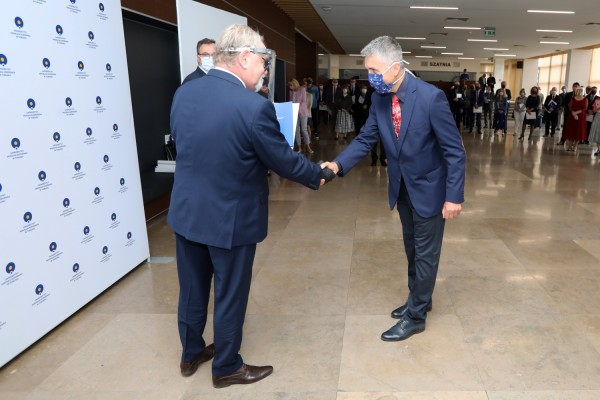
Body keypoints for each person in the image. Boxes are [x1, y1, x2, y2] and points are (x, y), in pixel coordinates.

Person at [168, 24, 328, 388]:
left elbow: (184, 144)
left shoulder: (184, 94)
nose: (265, 70)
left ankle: (191, 352)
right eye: (262, 61)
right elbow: (283, 161)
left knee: (192, 289)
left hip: (188, 213)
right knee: (229, 293)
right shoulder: (253, 107)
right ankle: (226, 366)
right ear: (243, 58)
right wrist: (316, 174)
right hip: (231, 220)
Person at [322, 36, 466, 342]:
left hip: (430, 189)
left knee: (426, 254)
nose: (370, 77)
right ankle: (420, 300)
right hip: (401, 187)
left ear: (396, 67)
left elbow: (455, 150)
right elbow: (365, 139)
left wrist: (454, 196)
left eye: (375, 70)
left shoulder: (430, 98)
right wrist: (336, 165)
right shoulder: (380, 98)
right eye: (368, 71)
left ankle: (415, 317)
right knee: (413, 250)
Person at [290, 78, 313, 153]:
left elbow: (304, 101)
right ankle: (299, 147)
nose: (290, 87)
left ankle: (308, 146)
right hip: (294, 112)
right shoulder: (291, 91)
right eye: (290, 86)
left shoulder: (302, 89)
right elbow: (290, 101)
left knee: (304, 129)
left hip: (302, 112)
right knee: (296, 130)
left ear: (295, 84)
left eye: (291, 85)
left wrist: (297, 107)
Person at [563, 87, 588, 152]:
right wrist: (573, 113)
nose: (579, 91)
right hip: (572, 116)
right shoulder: (572, 99)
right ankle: (570, 145)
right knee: (571, 130)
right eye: (578, 90)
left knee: (579, 131)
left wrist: (576, 113)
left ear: (583, 91)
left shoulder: (585, 99)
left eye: (580, 90)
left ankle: (575, 146)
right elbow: (570, 107)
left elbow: (584, 108)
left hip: (581, 117)